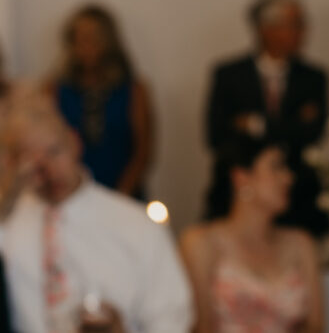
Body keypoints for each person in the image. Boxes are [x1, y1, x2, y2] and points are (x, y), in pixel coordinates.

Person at [0, 91, 193, 333]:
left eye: (54, 152)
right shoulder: (9, 226)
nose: (47, 170)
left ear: (74, 142)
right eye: (31, 161)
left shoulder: (135, 224)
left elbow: (171, 318)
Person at [205, 0, 329, 237]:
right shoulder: (230, 75)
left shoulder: (313, 78)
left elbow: (313, 133)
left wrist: (256, 124)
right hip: (238, 197)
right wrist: (290, 125)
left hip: (299, 201)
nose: (302, 32)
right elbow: (216, 135)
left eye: (301, 24)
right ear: (266, 29)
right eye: (293, 24)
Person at [181, 135, 324, 333]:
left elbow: (315, 327)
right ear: (241, 177)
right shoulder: (200, 243)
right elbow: (199, 326)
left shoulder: (301, 243)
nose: (288, 178)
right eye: (276, 167)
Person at [51, 4, 154, 199]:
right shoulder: (55, 89)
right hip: (72, 194)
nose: (86, 46)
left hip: (123, 191)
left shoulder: (134, 90)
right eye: (79, 39)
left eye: (93, 38)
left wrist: (122, 193)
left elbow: (143, 150)